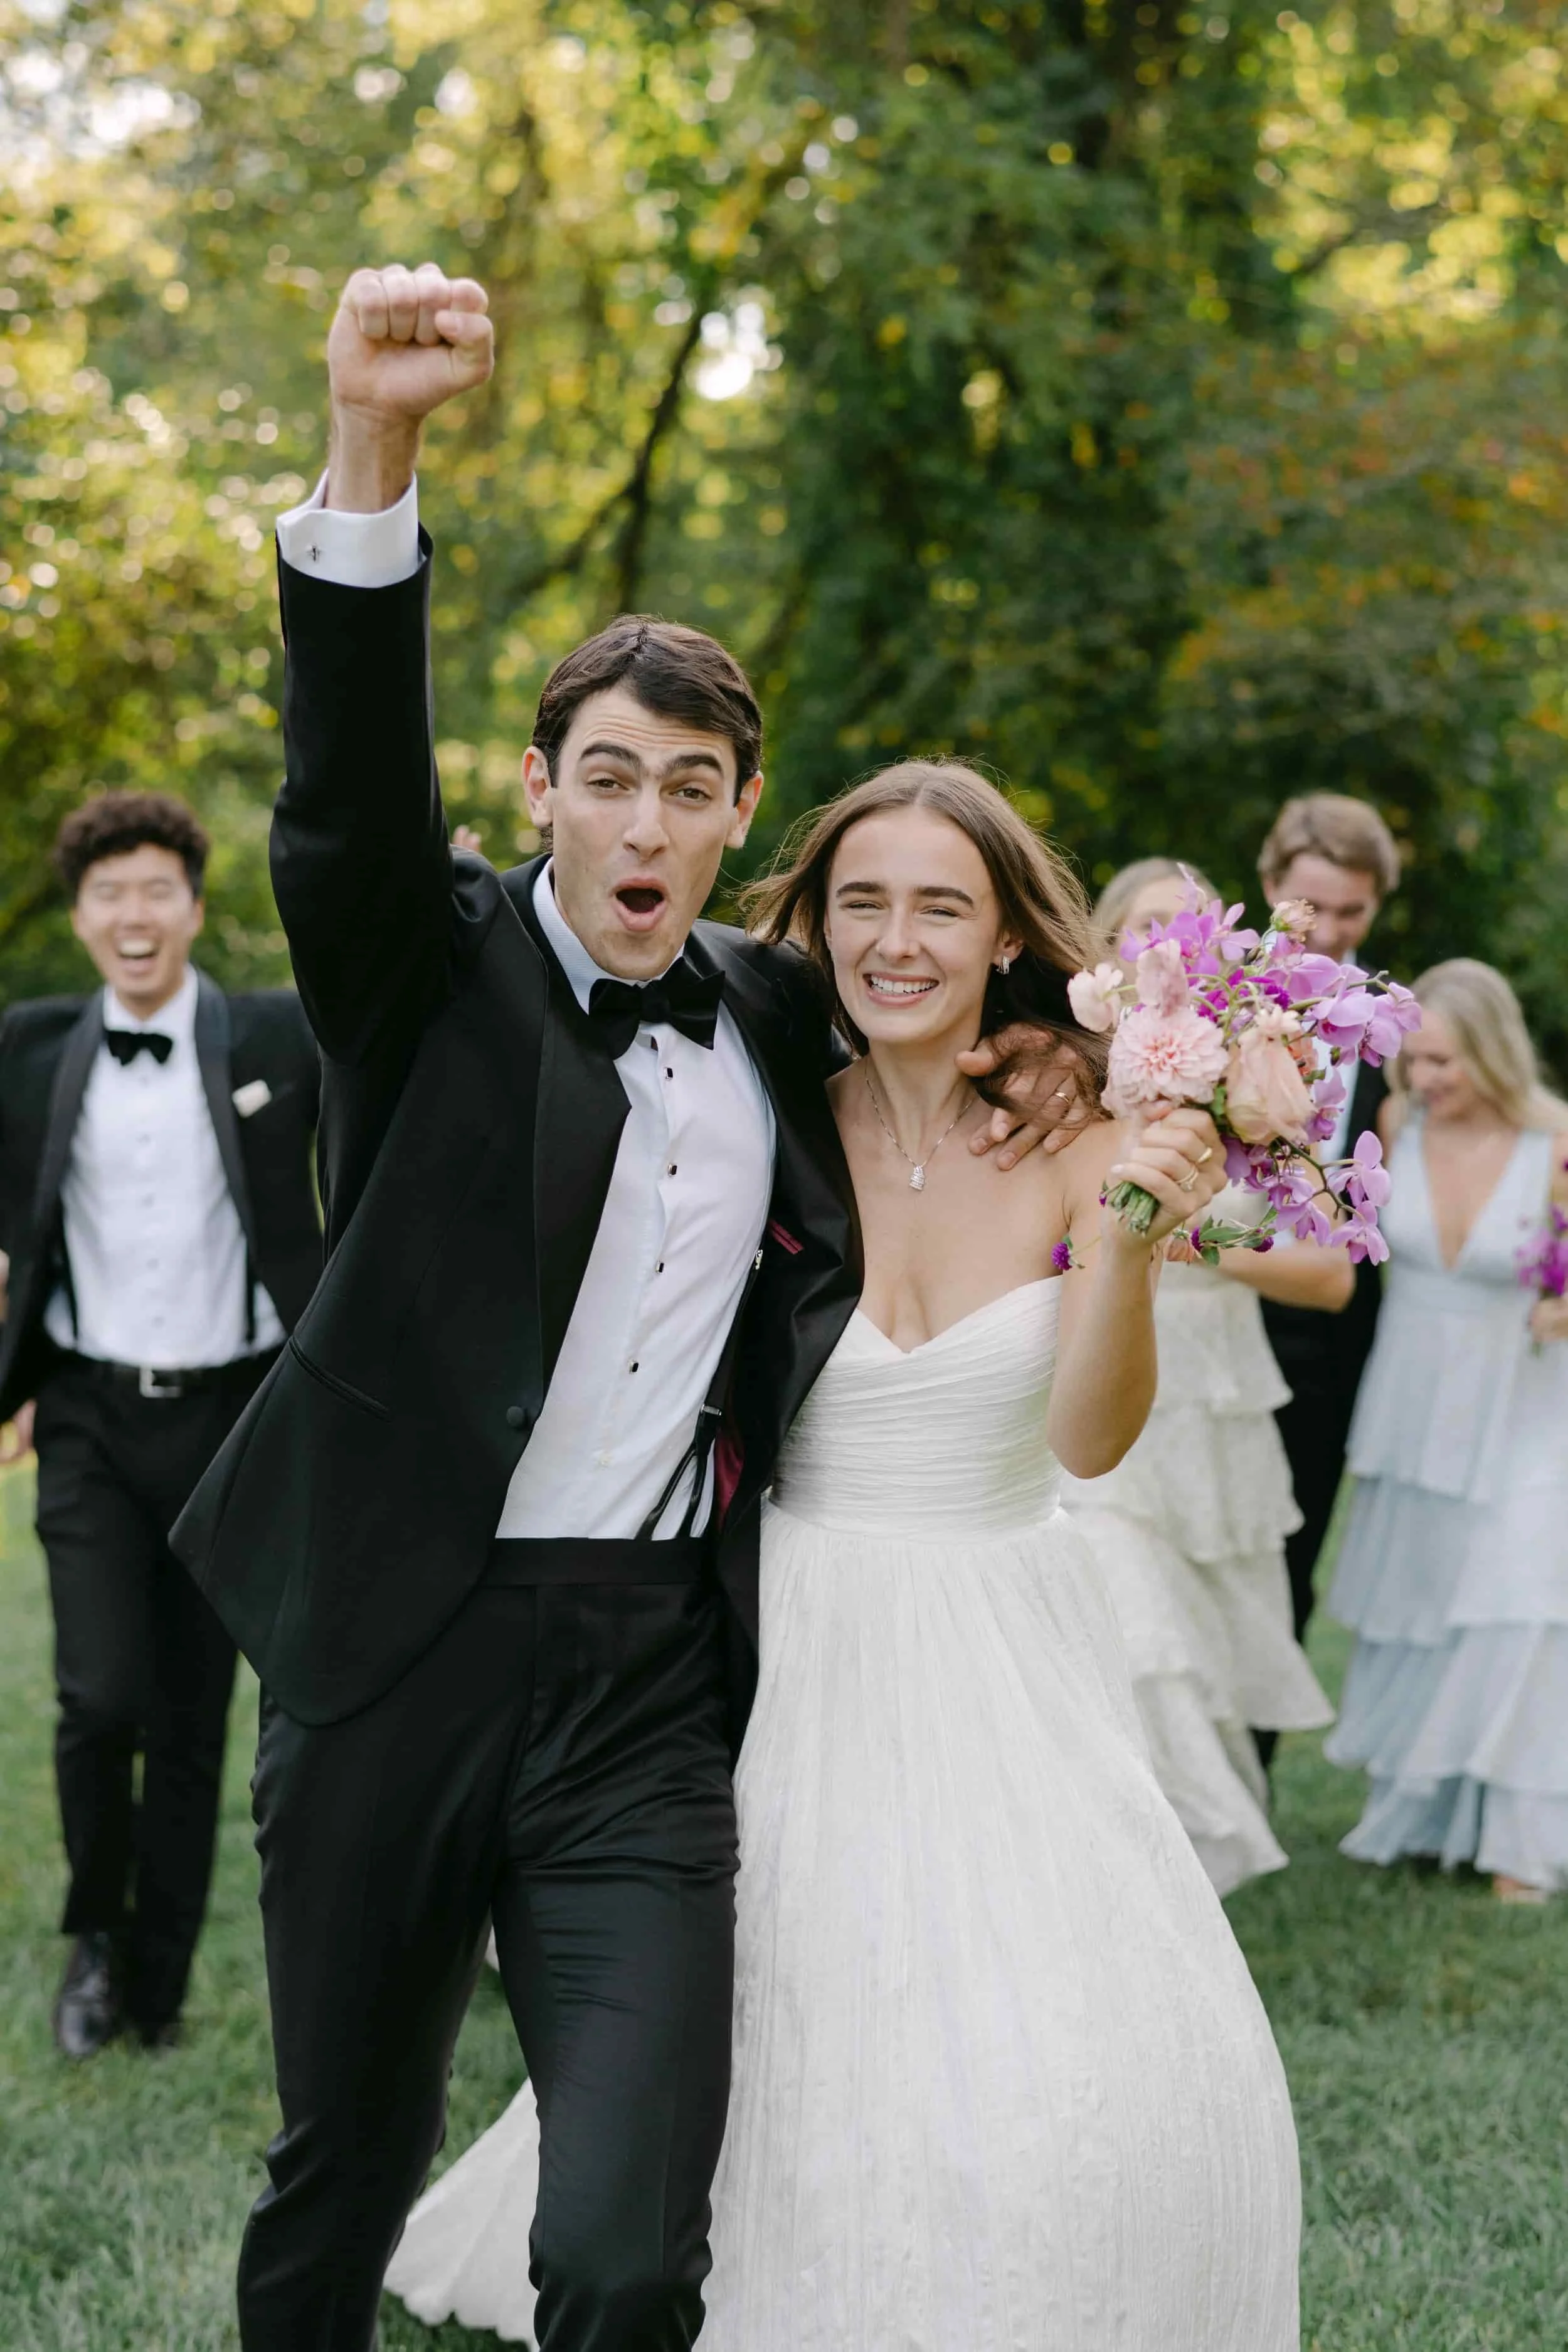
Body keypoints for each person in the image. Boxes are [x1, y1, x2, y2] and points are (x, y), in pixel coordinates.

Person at [169, 262, 1075, 2352]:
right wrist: (372, 454)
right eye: (611, 776)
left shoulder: (778, 1012)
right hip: (399, 1643)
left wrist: (1138, 1059)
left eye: (690, 786)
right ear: (546, 782)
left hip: (651, 1692)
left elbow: (971, 990)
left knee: (622, 2254)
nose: (646, 822)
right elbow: (334, 795)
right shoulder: (427, 963)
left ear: (742, 810)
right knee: (349, 2162)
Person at [386, 768, 1301, 2351]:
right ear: (805, 923)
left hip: (1002, 1621)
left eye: (940, 904)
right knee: (781, 2005)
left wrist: (1137, 1248)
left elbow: (1088, 1443)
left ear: (1007, 930)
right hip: (784, 1624)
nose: (895, 940)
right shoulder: (753, 1115)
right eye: (858, 901)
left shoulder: (1083, 1135)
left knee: (1041, 2022)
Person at [0, 791, 320, 2057]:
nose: (133, 917)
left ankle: (155, 1989)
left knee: (194, 1722)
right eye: (108, 895)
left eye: (156, 892)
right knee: (98, 1697)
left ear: (193, 907)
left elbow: (406, 1022)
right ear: (82, 917)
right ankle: (91, 1939)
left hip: (235, 1422)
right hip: (84, 1413)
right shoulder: (26, 1048)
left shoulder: (274, 1039)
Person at [1059, 857, 1336, 1893]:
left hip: (1219, 1406)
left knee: (1206, 1641)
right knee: (1139, 1633)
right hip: (1111, 1399)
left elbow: (1330, 1273)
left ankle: (1186, 1859)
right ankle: (1145, 1860)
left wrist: (1193, 1240)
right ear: (1107, 952)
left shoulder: (1261, 1079)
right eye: (1145, 928)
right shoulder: (1073, 1083)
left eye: (1187, 926)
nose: (1168, 945)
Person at [1325, 960, 1568, 1900]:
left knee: (1518, 1606)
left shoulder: (1552, 1143)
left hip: (1525, 1401)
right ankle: (1425, 1812)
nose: (1426, 1079)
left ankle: (1520, 1839)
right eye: (1416, 1059)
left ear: (1496, 1054)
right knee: (1423, 1600)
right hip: (1413, 1398)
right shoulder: (1396, 1129)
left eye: (1448, 1062)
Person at [1256, 793, 1402, 1640]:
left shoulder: (1393, 1031)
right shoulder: (1206, 998)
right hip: (1201, 1320)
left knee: (1284, 1580)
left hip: (1327, 1349)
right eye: (1314, 908)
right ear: (1272, 883)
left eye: (1355, 911)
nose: (1334, 933)